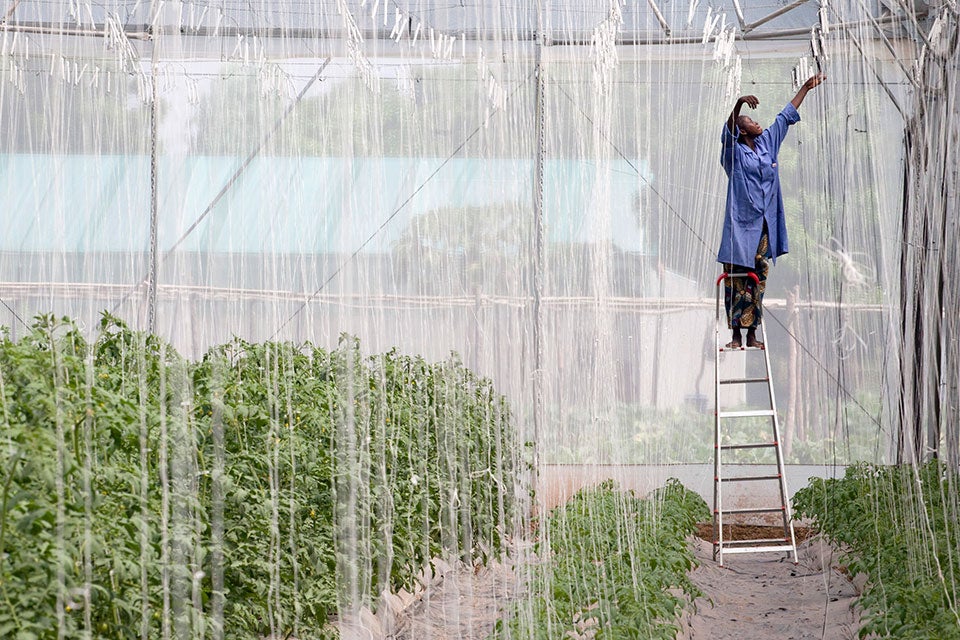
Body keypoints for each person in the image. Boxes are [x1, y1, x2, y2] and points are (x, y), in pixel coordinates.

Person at [717, 73, 826, 349]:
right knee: (735, 279)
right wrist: (739, 104)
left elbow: (784, 117)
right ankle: (734, 336)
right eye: (751, 122)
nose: (757, 123)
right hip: (740, 228)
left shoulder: (767, 145)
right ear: (742, 130)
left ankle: (752, 333)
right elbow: (727, 135)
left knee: (758, 279)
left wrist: (805, 88)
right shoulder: (734, 153)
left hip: (764, 226)